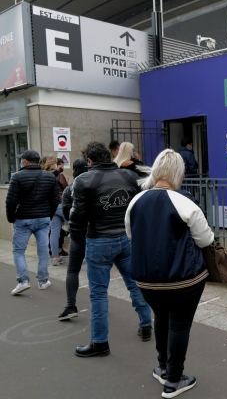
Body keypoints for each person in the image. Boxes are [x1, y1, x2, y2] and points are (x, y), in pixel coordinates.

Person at [125, 149, 214, 398]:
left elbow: (132, 235)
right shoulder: (184, 201)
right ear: (178, 173)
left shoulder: (136, 201)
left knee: (161, 318)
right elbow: (206, 240)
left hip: (146, 279)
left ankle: (163, 367)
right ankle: (174, 380)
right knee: (180, 326)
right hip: (184, 278)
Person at [70, 142, 152, 357]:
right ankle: (146, 325)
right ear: (109, 156)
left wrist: (77, 240)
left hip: (98, 241)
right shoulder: (128, 176)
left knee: (98, 293)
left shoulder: (84, 180)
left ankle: (100, 343)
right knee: (134, 284)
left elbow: (77, 215)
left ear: (89, 161)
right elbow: (139, 205)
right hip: (126, 238)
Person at [5, 150, 59, 295]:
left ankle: (23, 281)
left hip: (23, 219)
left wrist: (11, 218)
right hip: (43, 219)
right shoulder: (50, 177)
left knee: (18, 251)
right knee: (42, 251)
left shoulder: (17, 177)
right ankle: (43, 281)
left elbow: (11, 201)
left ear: (25, 162)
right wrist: (49, 215)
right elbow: (55, 200)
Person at [58, 158, 89, 320]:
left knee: (72, 270)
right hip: (96, 234)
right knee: (98, 270)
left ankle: (71, 306)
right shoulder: (95, 185)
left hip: (77, 234)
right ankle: (100, 303)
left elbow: (66, 213)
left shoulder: (69, 189)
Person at [48, 157, 69, 266]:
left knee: (54, 232)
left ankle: (56, 257)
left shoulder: (45, 175)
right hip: (61, 205)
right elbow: (66, 188)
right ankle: (83, 255)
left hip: (52, 207)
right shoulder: (59, 175)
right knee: (76, 228)